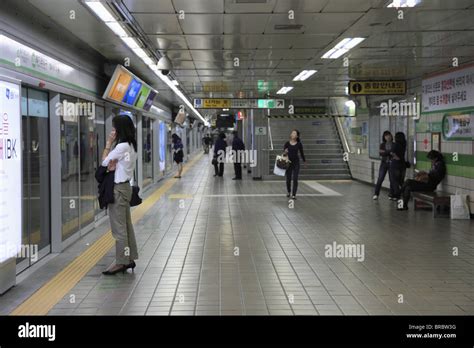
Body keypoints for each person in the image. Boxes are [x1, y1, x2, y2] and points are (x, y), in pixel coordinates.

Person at [101, 115, 138, 275]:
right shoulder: (131, 145)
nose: (113, 131)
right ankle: (129, 258)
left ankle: (121, 262)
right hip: (125, 188)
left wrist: (108, 144)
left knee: (119, 229)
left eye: (114, 128)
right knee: (126, 226)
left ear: (120, 129)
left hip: (118, 189)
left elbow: (104, 163)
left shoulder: (121, 146)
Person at [284, 129, 306, 200]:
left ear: (297, 136)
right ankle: (288, 191)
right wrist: (285, 152)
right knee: (288, 179)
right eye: (292, 133)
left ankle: (294, 194)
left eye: (294, 133)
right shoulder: (287, 143)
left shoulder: (299, 144)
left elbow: (302, 153)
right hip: (288, 163)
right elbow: (284, 154)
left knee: (295, 178)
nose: (292, 134)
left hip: (296, 163)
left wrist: (304, 161)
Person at [373, 131, 393, 200]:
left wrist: (385, 152)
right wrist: (389, 152)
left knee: (392, 179)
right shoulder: (382, 144)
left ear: (391, 136)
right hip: (384, 163)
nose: (388, 137)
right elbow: (381, 154)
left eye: (389, 135)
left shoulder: (394, 144)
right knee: (380, 178)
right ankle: (376, 194)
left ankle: (391, 194)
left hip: (391, 163)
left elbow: (392, 153)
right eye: (386, 136)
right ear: (384, 137)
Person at [388, 132, 407, 201]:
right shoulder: (404, 144)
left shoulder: (395, 145)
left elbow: (391, 153)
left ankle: (397, 195)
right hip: (402, 164)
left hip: (395, 165)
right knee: (401, 181)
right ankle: (404, 194)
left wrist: (396, 157)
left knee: (394, 181)